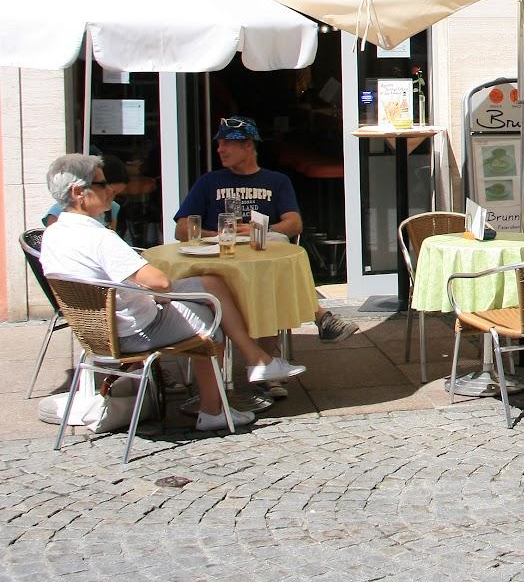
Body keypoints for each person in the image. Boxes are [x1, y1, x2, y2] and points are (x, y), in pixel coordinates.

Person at [40, 153, 305, 432]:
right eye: (101, 184)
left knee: (211, 283)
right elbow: (160, 283)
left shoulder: (54, 235)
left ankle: (257, 360)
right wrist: (157, 292)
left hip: (99, 330)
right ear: (78, 193)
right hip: (136, 330)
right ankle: (214, 410)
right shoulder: (99, 237)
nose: (110, 190)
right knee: (212, 315)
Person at [173, 116, 358, 394]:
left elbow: (294, 224)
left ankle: (267, 370)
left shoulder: (276, 181)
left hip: (260, 265)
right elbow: (182, 229)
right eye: (219, 144)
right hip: (220, 268)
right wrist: (223, 235)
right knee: (272, 279)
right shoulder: (209, 182)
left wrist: (258, 231)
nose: (220, 149)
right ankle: (319, 316)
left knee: (273, 262)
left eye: (228, 143)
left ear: (249, 146)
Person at [44, 153, 128, 231]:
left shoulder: (113, 207)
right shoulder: (62, 210)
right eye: (103, 185)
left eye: (116, 194)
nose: (111, 194)